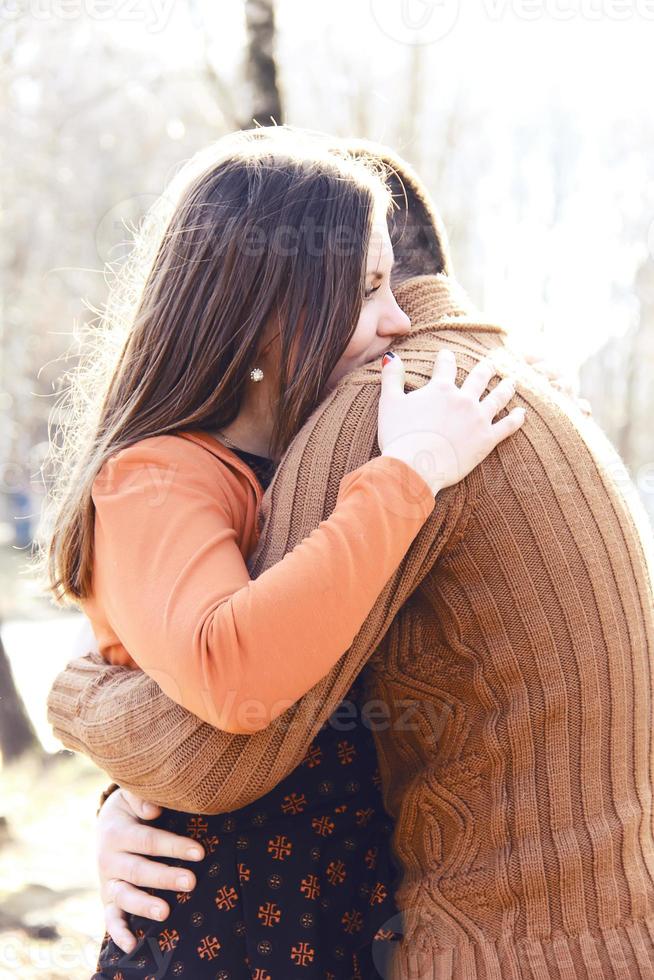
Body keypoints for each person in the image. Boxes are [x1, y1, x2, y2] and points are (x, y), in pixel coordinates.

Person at [40, 127, 524, 979]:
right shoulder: (157, 477)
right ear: (265, 306)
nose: (399, 318)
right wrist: (410, 473)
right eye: (368, 288)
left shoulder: (306, 463)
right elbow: (232, 671)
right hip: (218, 950)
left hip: (346, 936)